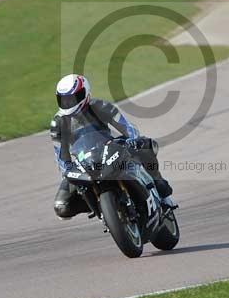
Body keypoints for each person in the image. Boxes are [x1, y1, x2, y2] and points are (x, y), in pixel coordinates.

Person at [50, 74, 174, 219]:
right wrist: (68, 171)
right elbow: (60, 155)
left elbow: (127, 127)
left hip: (109, 147)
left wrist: (132, 140)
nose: (68, 103)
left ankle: (162, 192)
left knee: (145, 146)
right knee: (61, 207)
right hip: (83, 160)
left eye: (72, 98)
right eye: (64, 100)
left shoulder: (100, 106)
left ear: (85, 93)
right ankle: (98, 206)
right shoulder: (57, 123)